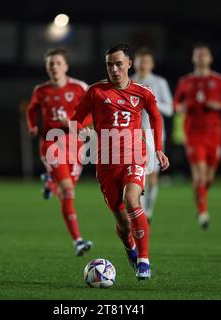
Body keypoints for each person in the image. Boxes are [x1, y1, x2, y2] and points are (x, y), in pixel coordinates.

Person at [71, 43, 170, 280]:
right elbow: (76, 120)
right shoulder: (96, 92)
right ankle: (130, 247)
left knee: (132, 199)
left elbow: (156, 117)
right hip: (106, 163)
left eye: (118, 64)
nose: (114, 69)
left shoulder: (143, 92)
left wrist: (158, 149)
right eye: (109, 65)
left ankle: (144, 262)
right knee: (124, 224)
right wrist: (83, 133)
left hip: (135, 157)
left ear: (129, 64)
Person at [26, 47, 93, 256]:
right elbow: (31, 110)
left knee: (65, 195)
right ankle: (78, 241)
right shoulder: (41, 90)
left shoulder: (80, 88)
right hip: (52, 146)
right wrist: (32, 126)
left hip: (76, 147)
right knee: (68, 191)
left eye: (58, 63)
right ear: (47, 68)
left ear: (66, 66)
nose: (54, 67)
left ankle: (48, 181)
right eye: (50, 64)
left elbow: (92, 116)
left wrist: (74, 124)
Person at [173, 43, 221, 230]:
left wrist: (220, 105)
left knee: (209, 178)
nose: (201, 57)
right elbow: (175, 104)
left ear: (210, 58)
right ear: (193, 59)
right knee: (200, 175)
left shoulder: (220, 80)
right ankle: (202, 212)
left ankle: (200, 199)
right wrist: (180, 107)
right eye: (198, 55)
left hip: (214, 134)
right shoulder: (185, 81)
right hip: (193, 133)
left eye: (204, 55)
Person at [131, 47, 173, 224]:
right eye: (140, 61)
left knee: (152, 175)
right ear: (133, 63)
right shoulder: (129, 81)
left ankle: (148, 211)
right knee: (135, 174)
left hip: (152, 134)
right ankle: (139, 211)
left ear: (152, 64)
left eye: (146, 61)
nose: (143, 65)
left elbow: (169, 109)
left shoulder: (159, 82)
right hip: (131, 134)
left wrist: (151, 100)